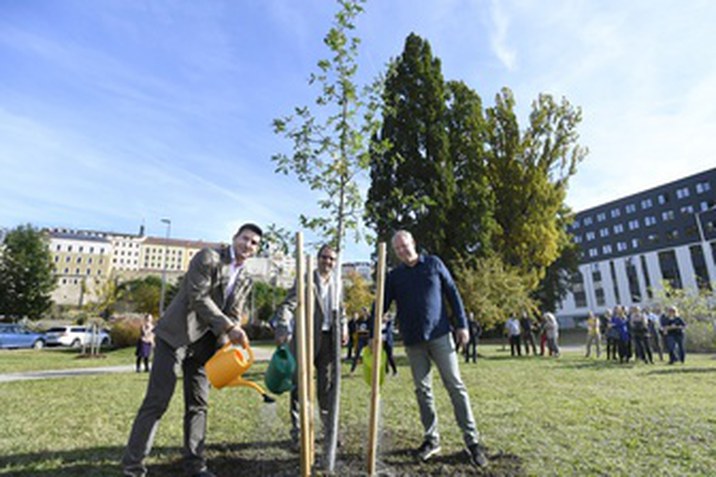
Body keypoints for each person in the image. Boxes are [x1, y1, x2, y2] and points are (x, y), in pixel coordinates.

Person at [121, 223, 262, 477]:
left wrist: (231, 338)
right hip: (176, 336)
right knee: (157, 401)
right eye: (245, 239)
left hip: (205, 346)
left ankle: (195, 466)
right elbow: (198, 297)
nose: (248, 245)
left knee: (198, 405)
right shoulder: (208, 257)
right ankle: (133, 467)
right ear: (234, 238)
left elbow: (234, 312)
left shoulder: (246, 279)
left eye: (254, 243)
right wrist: (230, 326)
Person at [374, 230, 488, 468]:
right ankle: (431, 439)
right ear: (395, 253)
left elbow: (453, 293)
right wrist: (372, 327)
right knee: (422, 390)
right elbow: (381, 306)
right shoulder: (394, 276)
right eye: (398, 249)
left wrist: (462, 325)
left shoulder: (434, 263)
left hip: (440, 336)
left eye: (405, 245)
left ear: (413, 243)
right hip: (413, 341)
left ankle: (472, 441)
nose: (403, 251)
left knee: (455, 386)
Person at [272, 244, 347, 448]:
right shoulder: (306, 280)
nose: (328, 262)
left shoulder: (338, 282)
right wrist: (282, 326)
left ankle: (329, 431)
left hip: (328, 341)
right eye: (324, 257)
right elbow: (288, 305)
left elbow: (341, 310)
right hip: (305, 339)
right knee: (299, 387)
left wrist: (345, 328)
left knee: (326, 388)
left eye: (331, 259)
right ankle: (298, 433)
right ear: (318, 258)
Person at [349, 308, 370, 373]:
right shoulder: (360, 320)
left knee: (369, 354)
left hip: (368, 338)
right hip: (361, 337)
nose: (362, 313)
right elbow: (355, 325)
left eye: (364, 311)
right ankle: (352, 370)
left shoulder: (370, 319)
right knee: (357, 353)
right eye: (362, 312)